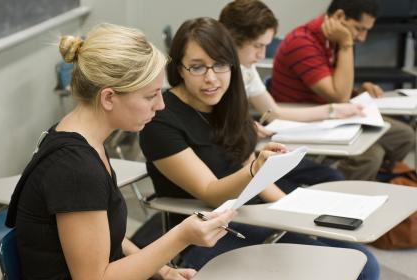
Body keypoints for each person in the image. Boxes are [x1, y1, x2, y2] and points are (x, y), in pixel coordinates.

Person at [139, 17, 379, 280]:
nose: (210, 78)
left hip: (253, 213)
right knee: (352, 270)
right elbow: (210, 192)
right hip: (209, 232)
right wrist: (257, 169)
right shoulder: (161, 119)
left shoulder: (227, 104)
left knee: (363, 261)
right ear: (180, 69)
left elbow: (247, 166)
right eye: (197, 67)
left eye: (220, 65)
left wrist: (293, 209)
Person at [5, 23, 236, 280]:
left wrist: (164, 270)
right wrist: (181, 236)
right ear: (108, 98)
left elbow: (103, 234)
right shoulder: (76, 168)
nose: (160, 105)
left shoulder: (80, 137)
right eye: (151, 96)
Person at [269, 0, 414, 180]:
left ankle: (378, 179)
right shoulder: (303, 42)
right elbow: (338, 96)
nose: (362, 37)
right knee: (371, 156)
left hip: (332, 114)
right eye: (359, 28)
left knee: (405, 136)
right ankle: (341, 191)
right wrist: (346, 44)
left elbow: (337, 89)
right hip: (305, 117)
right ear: (339, 16)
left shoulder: (331, 40)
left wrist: (356, 92)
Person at [219, 0, 357, 189]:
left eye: (265, 46)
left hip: (251, 157)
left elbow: (274, 112)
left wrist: (332, 110)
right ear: (232, 40)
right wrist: (242, 127)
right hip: (234, 164)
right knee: (304, 190)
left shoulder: (246, 70)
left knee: (333, 177)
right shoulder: (215, 79)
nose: (261, 55)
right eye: (258, 46)